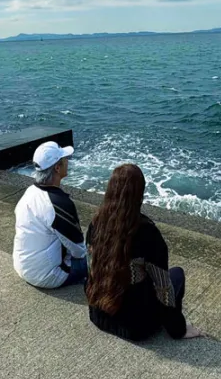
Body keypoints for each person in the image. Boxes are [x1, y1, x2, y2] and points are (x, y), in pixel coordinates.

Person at [86, 164, 205, 341]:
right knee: (176, 275)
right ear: (139, 194)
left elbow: (92, 269)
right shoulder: (147, 233)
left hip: (99, 315)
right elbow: (163, 288)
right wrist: (178, 329)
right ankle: (172, 325)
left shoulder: (96, 224)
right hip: (135, 326)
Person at [13, 141, 87, 288]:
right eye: (65, 159)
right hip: (48, 276)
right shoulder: (58, 203)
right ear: (57, 168)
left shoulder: (30, 193)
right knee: (102, 257)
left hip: (22, 266)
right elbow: (79, 251)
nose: (68, 161)